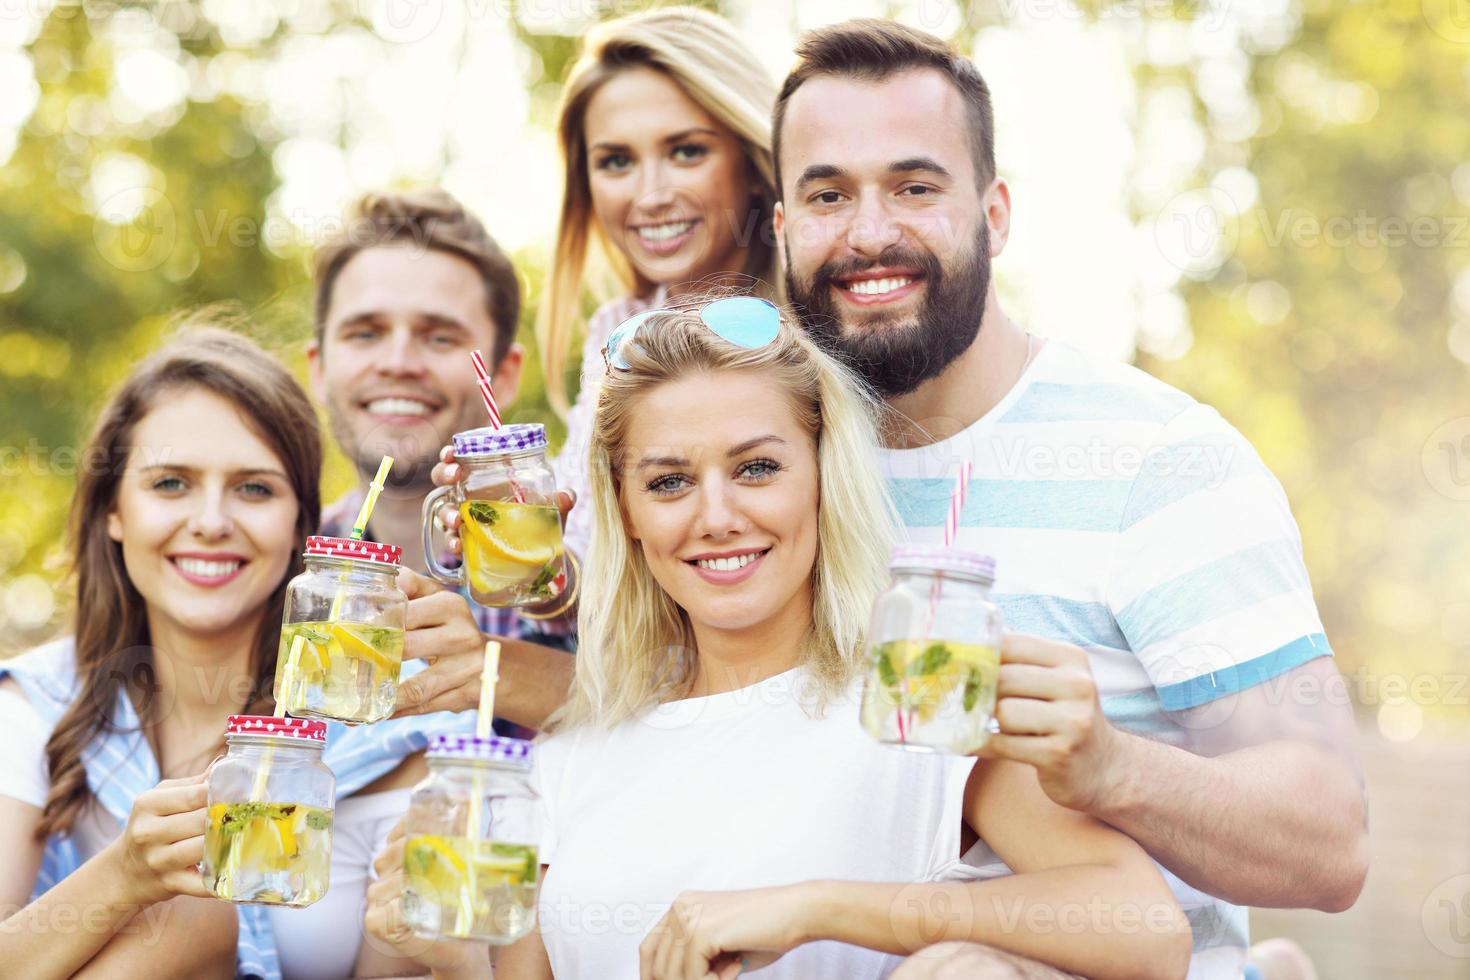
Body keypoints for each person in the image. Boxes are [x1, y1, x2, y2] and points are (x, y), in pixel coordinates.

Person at [767, 19, 1368, 979]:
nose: (870, 231)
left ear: (995, 215)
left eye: (915, 188)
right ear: (782, 227)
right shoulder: (757, 473)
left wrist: (1115, 769)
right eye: (828, 194)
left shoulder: (1161, 460)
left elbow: (1329, 842)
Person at [367, 300, 1192, 980]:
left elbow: (1147, 927)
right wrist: (448, 957)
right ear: (624, 514)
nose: (717, 515)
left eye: (757, 468)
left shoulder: (923, 702)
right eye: (669, 482)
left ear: (822, 476)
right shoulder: (566, 754)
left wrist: (816, 906)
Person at [403, 5, 783, 724]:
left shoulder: (820, 320)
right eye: (615, 162)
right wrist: (528, 544)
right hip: (663, 709)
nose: (649, 194)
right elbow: (584, 589)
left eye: (686, 151)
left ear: (752, 161)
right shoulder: (618, 339)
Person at [0, 328, 319, 979]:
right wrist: (122, 876)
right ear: (111, 510)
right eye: (171, 483)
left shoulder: (377, 728)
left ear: (299, 525)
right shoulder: (32, 708)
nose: (210, 521)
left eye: (254, 489)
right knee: (188, 910)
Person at [309, 188, 577, 737]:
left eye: (439, 336)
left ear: (503, 375)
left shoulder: (580, 567)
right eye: (365, 333)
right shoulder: (280, 572)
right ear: (319, 367)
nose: (399, 362)